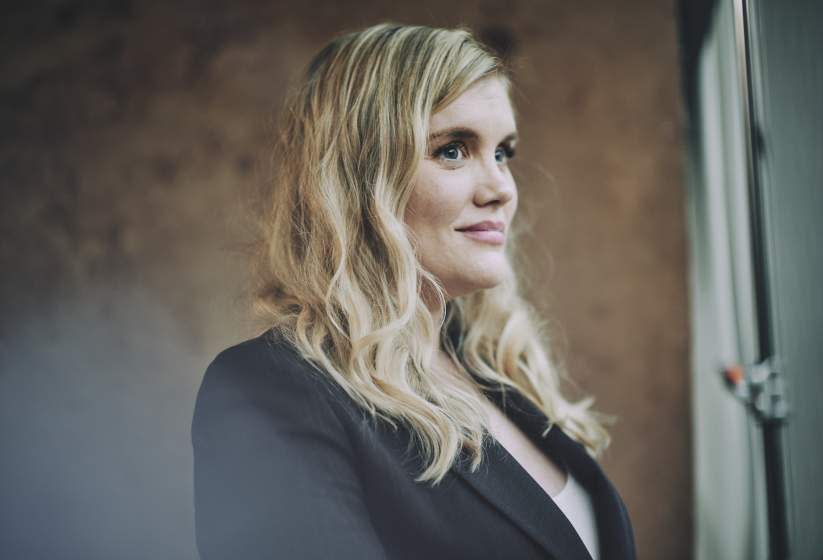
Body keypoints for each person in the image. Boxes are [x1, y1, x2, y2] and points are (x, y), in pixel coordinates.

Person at [191, 23, 636, 560]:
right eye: (453, 150)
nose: (501, 188)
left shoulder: (490, 370)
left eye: (503, 152)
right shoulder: (270, 389)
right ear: (359, 177)